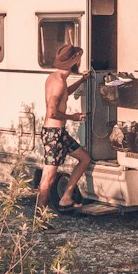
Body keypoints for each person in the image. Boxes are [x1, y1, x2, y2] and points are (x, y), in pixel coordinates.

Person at [37, 43, 92, 212]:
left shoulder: (55, 78)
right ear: (73, 62)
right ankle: (40, 219)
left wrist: (82, 80)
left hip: (60, 134)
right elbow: (53, 112)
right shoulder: (59, 83)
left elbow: (64, 94)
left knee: (85, 158)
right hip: (53, 135)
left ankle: (66, 196)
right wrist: (73, 117)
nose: (80, 62)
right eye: (78, 59)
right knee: (48, 178)